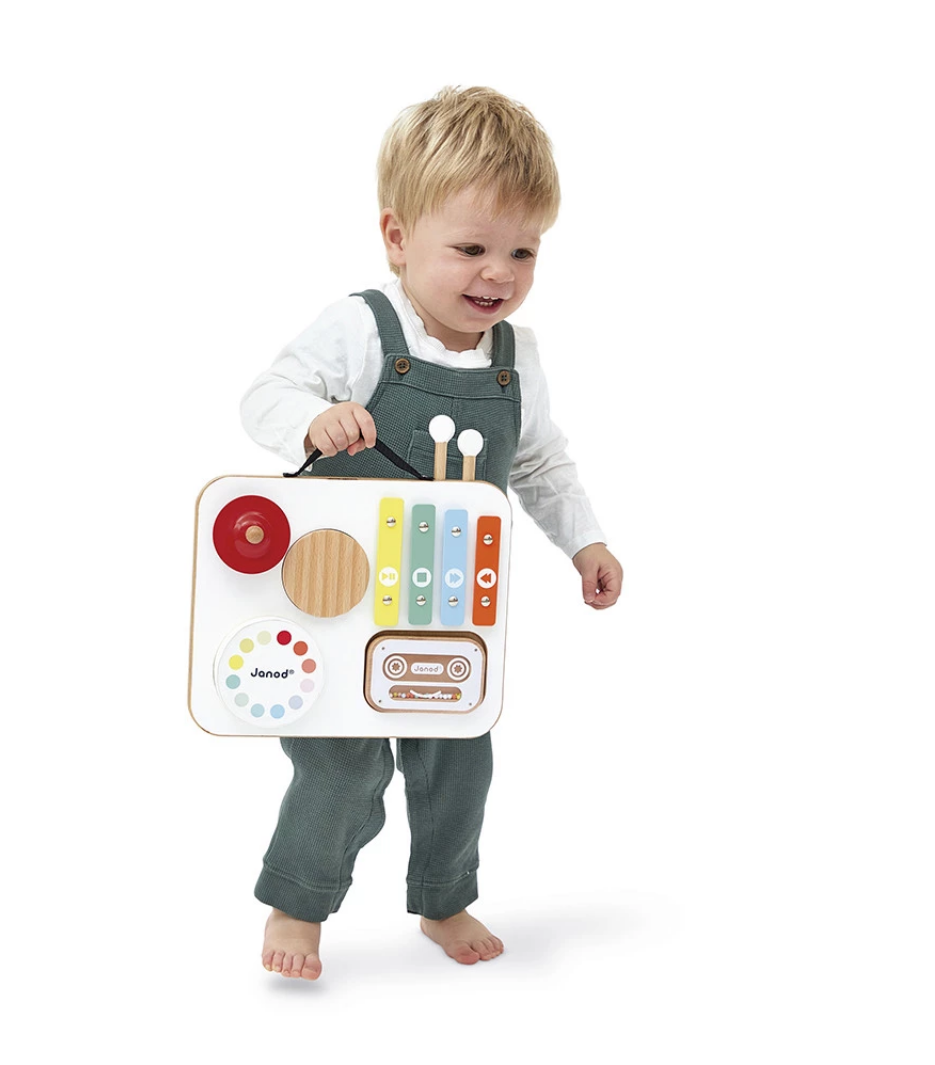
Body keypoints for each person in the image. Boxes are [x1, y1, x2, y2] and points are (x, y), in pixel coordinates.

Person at [240, 86, 623, 980]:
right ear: (398, 237)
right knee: (340, 765)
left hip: (450, 605)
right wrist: (313, 418)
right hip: (338, 600)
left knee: (459, 759)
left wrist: (586, 542)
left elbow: (539, 464)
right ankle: (298, 905)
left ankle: (443, 895)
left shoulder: (515, 355)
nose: (499, 273)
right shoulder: (360, 327)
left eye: (522, 250)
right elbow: (262, 396)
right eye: (470, 248)